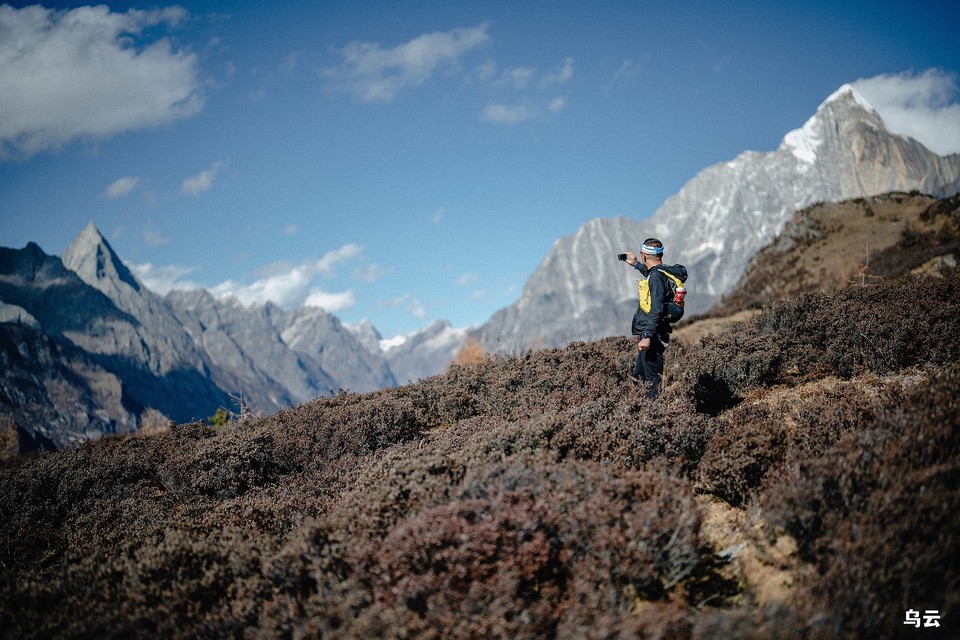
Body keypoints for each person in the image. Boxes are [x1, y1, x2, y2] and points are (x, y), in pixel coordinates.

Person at [622, 238, 686, 398]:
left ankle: (654, 417)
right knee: (638, 377)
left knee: (651, 382)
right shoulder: (662, 272)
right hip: (657, 331)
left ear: (644, 254)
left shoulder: (656, 277)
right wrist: (637, 265)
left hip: (653, 333)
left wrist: (647, 336)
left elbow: (656, 308)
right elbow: (652, 275)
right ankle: (640, 414)